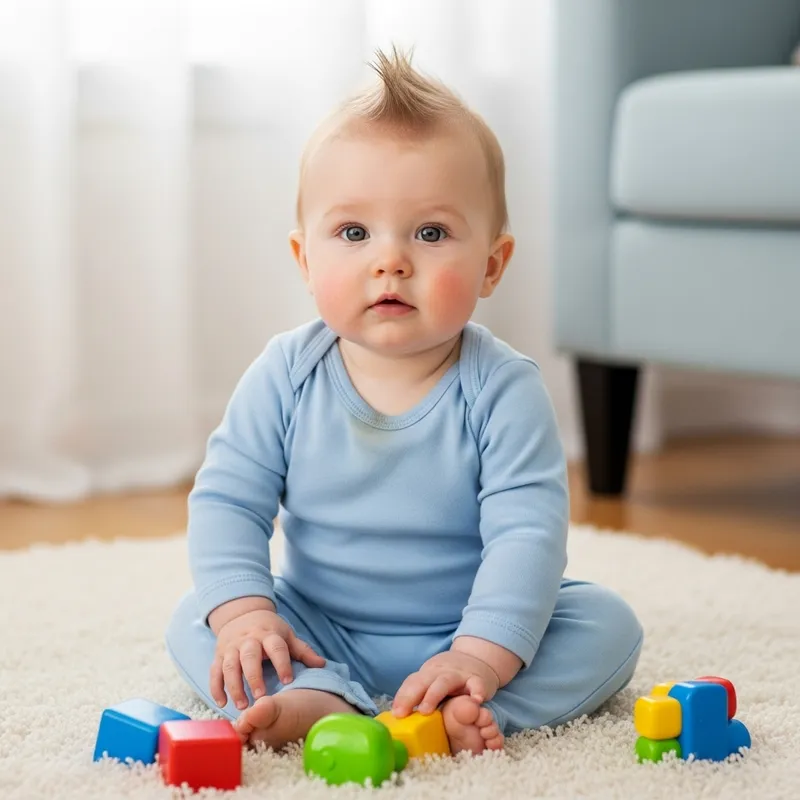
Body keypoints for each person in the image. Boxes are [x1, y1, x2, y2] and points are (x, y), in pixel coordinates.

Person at [165, 47, 643, 756]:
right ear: (305, 259)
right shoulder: (285, 374)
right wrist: (245, 616)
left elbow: (527, 536)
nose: (390, 260)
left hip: (464, 625)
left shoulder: (503, 387)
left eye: (430, 232)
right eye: (354, 233)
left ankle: (458, 705)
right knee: (198, 619)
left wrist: (479, 655)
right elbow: (228, 503)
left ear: (491, 265)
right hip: (318, 623)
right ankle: (319, 695)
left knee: (606, 625)